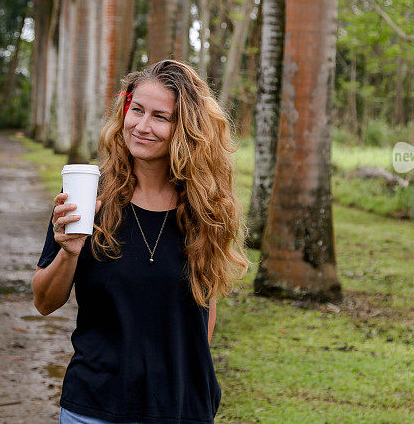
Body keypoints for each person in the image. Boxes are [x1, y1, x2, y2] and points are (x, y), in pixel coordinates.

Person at [32, 59, 252, 424]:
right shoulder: (88, 196)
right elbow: (43, 301)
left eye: (160, 117)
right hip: (97, 406)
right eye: (137, 111)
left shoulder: (206, 207)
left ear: (186, 128)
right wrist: (68, 254)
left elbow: (205, 305)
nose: (142, 126)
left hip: (183, 407)